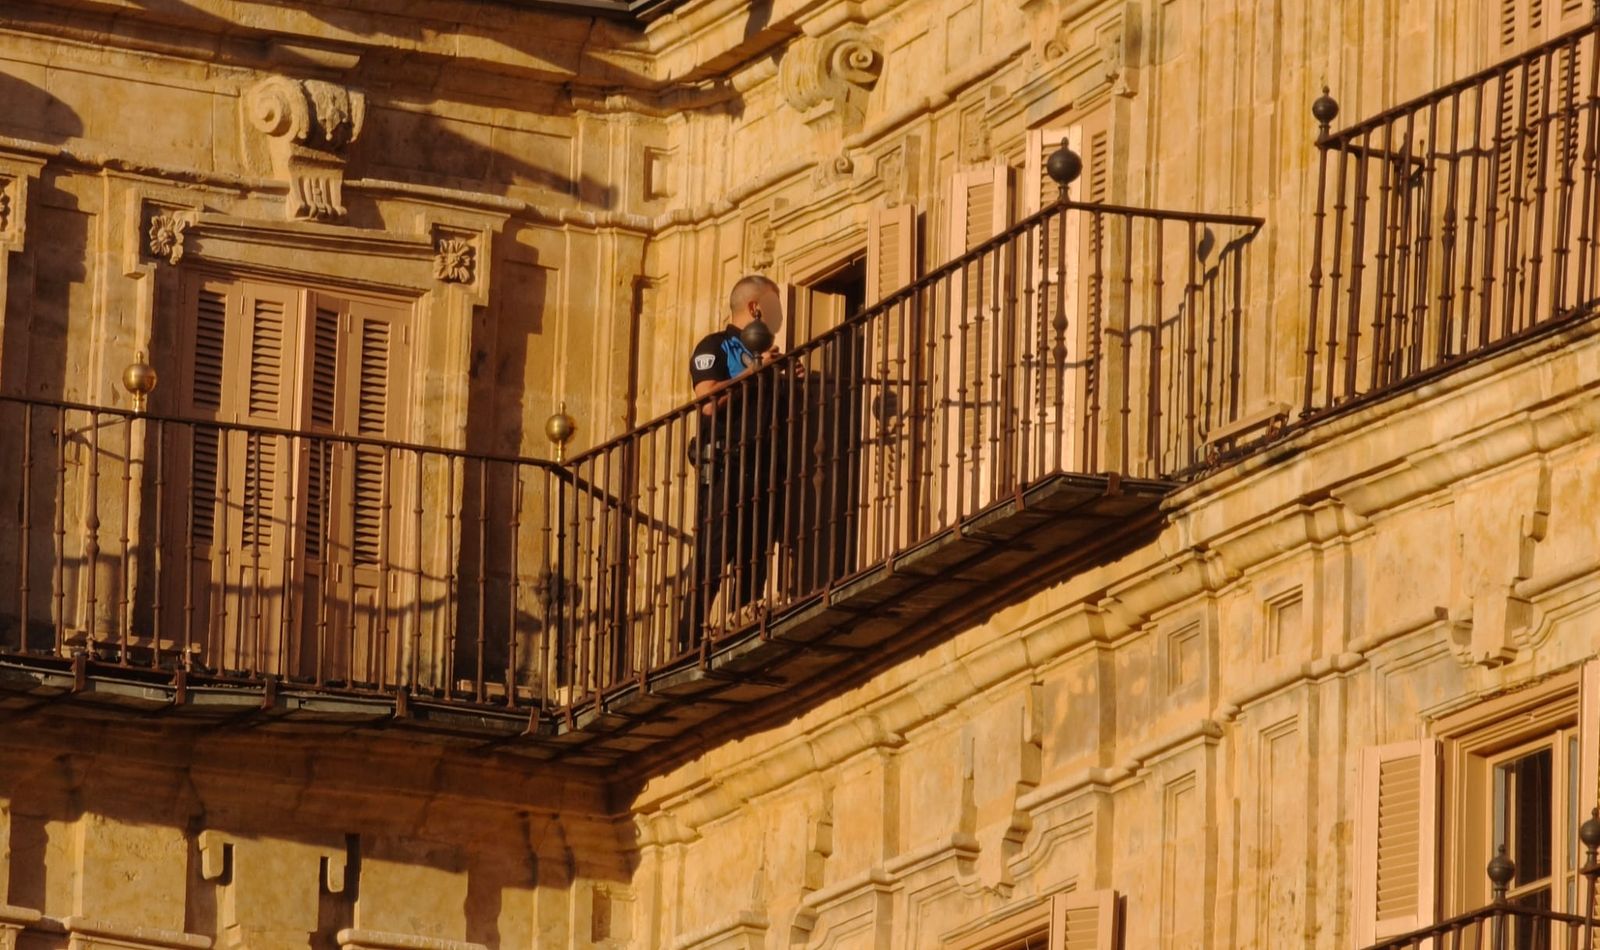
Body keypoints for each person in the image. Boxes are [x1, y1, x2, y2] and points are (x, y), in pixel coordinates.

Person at [677, 274, 792, 652]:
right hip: (726, 463)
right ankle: (687, 641)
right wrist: (753, 372)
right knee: (713, 554)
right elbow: (707, 400)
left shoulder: (760, 355)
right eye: (773, 305)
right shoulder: (715, 344)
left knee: (755, 552)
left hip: (761, 468)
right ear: (756, 307)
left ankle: (741, 626)